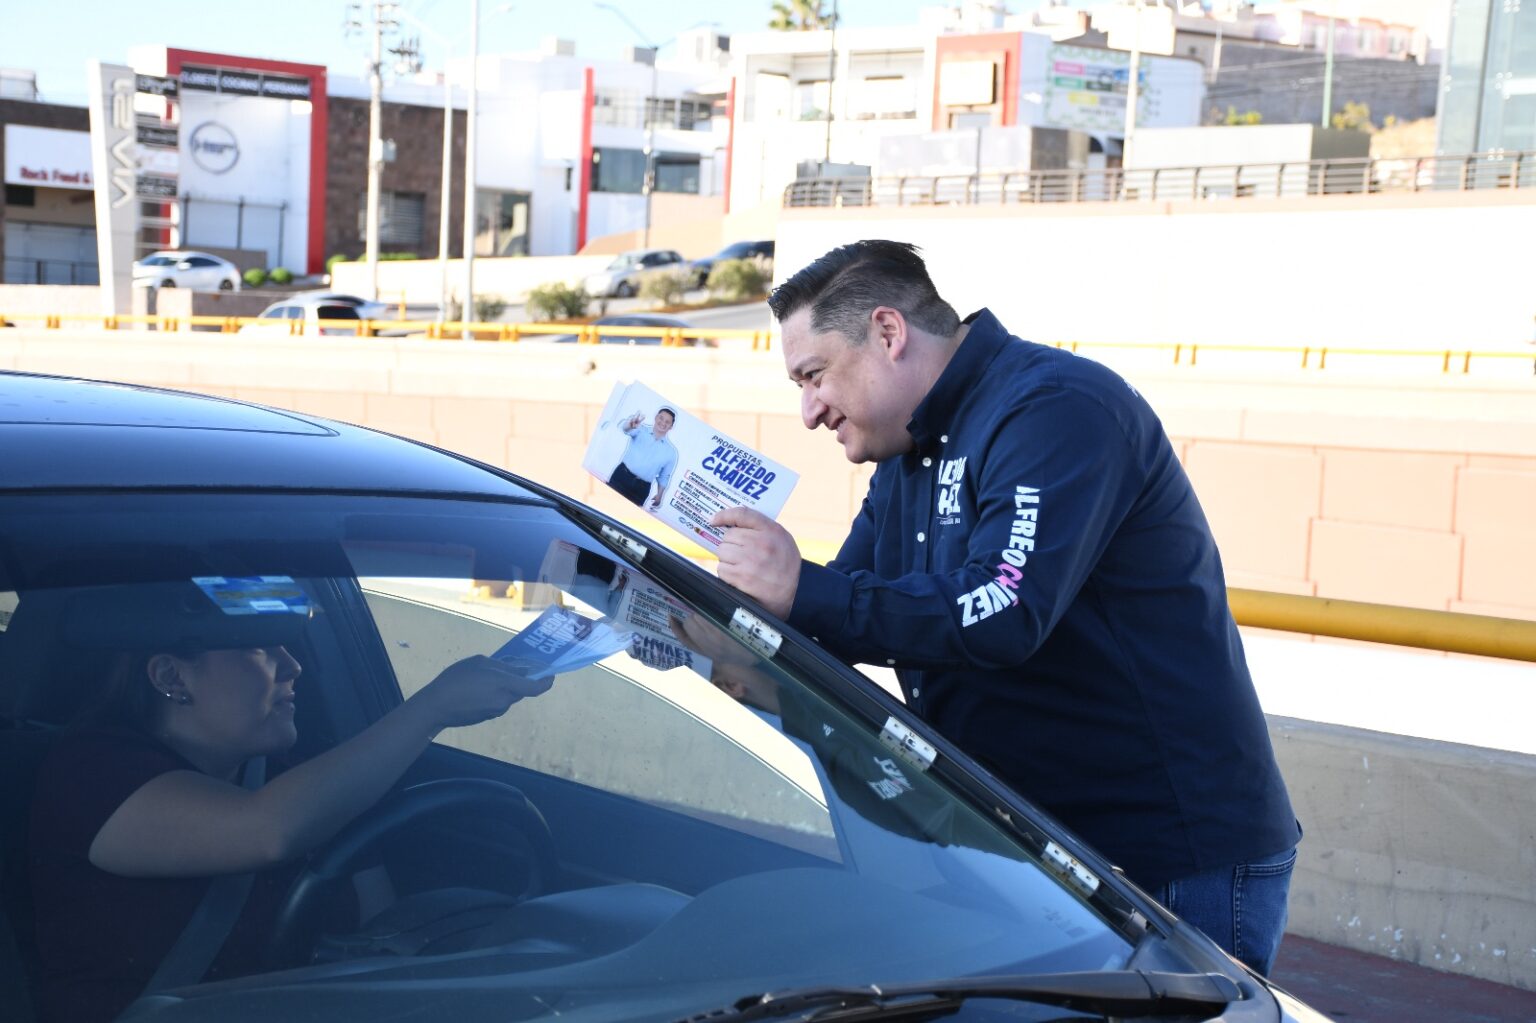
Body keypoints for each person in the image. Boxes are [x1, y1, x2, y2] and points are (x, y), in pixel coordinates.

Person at [708, 239, 1301, 976]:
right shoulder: (904, 455)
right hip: (1032, 846)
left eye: (814, 375)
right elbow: (841, 610)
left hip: (1164, 858)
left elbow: (1001, 609)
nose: (809, 411)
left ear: (888, 334)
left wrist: (801, 589)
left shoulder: (1056, 409)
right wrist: (711, 619)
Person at [27, 583, 550, 1023]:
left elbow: (378, 938)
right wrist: (431, 709)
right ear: (170, 677)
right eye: (261, 649)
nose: (293, 666)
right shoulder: (91, 774)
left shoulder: (303, 780)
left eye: (289, 646)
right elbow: (268, 831)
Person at [607, 407, 678, 511]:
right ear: (656, 417)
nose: (663, 423)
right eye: (661, 418)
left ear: (671, 426)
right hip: (621, 476)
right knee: (607, 506)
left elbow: (664, 476)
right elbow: (625, 429)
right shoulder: (640, 429)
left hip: (642, 489)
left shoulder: (671, 452)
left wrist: (659, 495)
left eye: (667, 422)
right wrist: (630, 424)